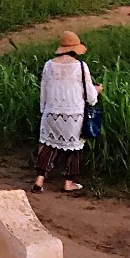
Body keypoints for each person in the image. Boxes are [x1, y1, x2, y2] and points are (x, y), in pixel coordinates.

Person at [34, 31, 97, 194]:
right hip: (73, 115)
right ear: (75, 49)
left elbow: (44, 91)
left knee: (47, 147)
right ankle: (69, 183)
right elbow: (90, 97)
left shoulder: (49, 65)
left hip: (51, 112)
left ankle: (39, 180)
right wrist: (97, 91)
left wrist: (43, 110)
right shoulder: (81, 67)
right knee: (74, 149)